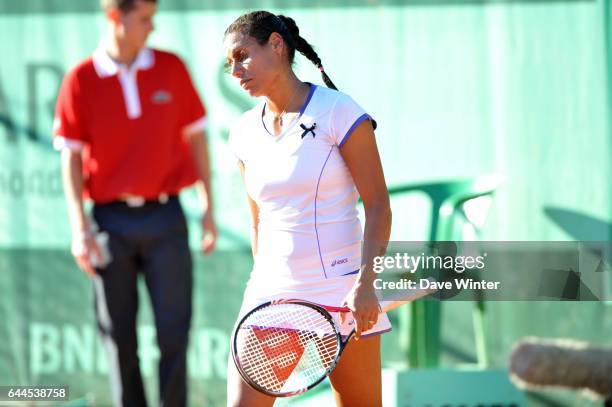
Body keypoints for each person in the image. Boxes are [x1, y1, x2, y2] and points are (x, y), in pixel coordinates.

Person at [223, 11, 392, 407]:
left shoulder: (339, 111)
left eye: (242, 55)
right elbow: (258, 223)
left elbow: (379, 206)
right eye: (229, 63)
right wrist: (266, 284)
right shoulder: (243, 132)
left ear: (277, 46)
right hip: (271, 296)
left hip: (344, 292)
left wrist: (366, 283)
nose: (235, 70)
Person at [52, 0, 217, 405]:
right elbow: (70, 159)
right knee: (118, 337)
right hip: (109, 223)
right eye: (144, 19)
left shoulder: (172, 67)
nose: (152, 27)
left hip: (166, 217)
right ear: (115, 17)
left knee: (174, 332)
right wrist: (80, 230)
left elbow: (197, 138)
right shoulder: (80, 79)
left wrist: (209, 207)